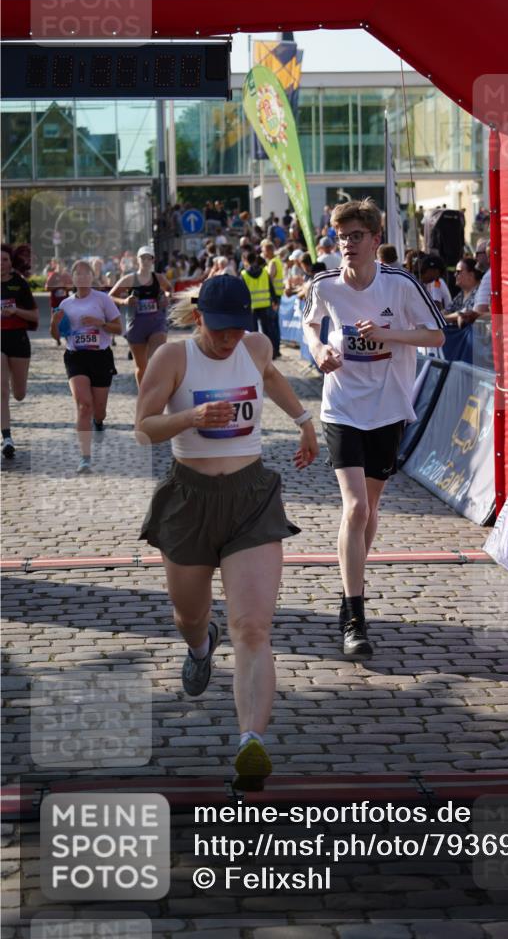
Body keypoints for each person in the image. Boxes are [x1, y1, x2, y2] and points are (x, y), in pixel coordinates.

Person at [134, 275, 318, 789]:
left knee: (254, 627)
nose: (229, 340)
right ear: (199, 320)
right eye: (219, 331)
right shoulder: (173, 358)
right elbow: (142, 426)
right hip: (189, 499)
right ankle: (199, 647)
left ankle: (250, 743)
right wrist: (191, 416)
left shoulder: (254, 345)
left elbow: (272, 376)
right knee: (189, 616)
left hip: (251, 498)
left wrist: (304, 420)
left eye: (236, 330)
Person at [302, 198, 444, 659]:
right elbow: (310, 324)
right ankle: (355, 613)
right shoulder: (325, 283)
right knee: (356, 507)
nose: (347, 245)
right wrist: (318, 350)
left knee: (371, 508)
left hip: (388, 408)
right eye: (341, 237)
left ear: (375, 240)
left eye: (356, 236)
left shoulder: (399, 284)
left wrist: (390, 336)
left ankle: (350, 586)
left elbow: (437, 335)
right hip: (342, 407)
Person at [51, 260, 122, 474]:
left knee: (98, 410)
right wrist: (55, 323)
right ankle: (85, 458)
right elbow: (57, 336)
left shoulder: (103, 300)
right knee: (84, 405)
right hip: (76, 357)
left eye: (86, 274)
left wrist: (100, 323)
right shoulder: (65, 304)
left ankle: (99, 421)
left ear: (92, 277)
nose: (82, 277)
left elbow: (119, 328)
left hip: (101, 357)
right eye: (77, 274)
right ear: (72, 278)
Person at [109, 245, 172, 386]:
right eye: (142, 257)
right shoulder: (130, 279)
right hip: (136, 324)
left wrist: (166, 296)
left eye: (148, 258)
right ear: (137, 260)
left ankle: (158, 389)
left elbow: (169, 290)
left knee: (158, 357)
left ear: (153, 260)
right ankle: (143, 394)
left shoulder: (158, 278)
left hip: (157, 322)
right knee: (141, 367)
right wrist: (124, 301)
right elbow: (110, 297)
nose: (145, 260)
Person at [1, 244, 39, 459]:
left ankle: (19, 391)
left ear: (11, 262)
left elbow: (35, 316)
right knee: (1, 391)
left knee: (19, 393)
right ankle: (6, 438)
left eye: (5, 259)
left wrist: (16, 311)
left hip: (18, 340)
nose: (1, 264)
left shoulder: (19, 285)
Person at [240, 250, 281, 360]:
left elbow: (242, 292)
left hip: (252, 307)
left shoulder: (243, 274)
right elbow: (270, 287)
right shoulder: (264, 272)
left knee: (253, 333)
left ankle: (255, 355)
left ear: (245, 260)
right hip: (265, 304)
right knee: (269, 331)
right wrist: (275, 299)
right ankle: (273, 352)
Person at [443, 257, 484, 326]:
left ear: (471, 275)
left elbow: (466, 313)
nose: (455, 274)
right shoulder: (462, 294)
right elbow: (448, 310)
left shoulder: (480, 292)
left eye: (458, 272)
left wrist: (443, 318)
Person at [46, 262, 73, 346]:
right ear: (56, 267)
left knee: (66, 321)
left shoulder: (66, 276)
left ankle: (66, 338)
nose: (60, 268)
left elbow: (72, 286)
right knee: (55, 322)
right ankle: (57, 339)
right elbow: (47, 288)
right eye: (59, 266)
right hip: (55, 304)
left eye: (62, 266)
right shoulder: (53, 275)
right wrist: (57, 286)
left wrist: (66, 286)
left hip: (65, 303)